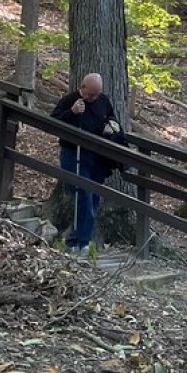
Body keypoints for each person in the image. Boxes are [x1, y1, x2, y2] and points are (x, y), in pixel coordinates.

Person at [51, 73, 126, 253]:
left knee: (93, 197)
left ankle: (81, 237)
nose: (92, 98)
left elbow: (112, 119)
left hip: (97, 157)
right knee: (82, 194)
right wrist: (72, 112)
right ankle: (79, 241)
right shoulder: (70, 100)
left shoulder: (103, 101)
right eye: (90, 94)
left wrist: (111, 127)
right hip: (74, 154)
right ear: (82, 87)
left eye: (96, 95)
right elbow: (53, 121)